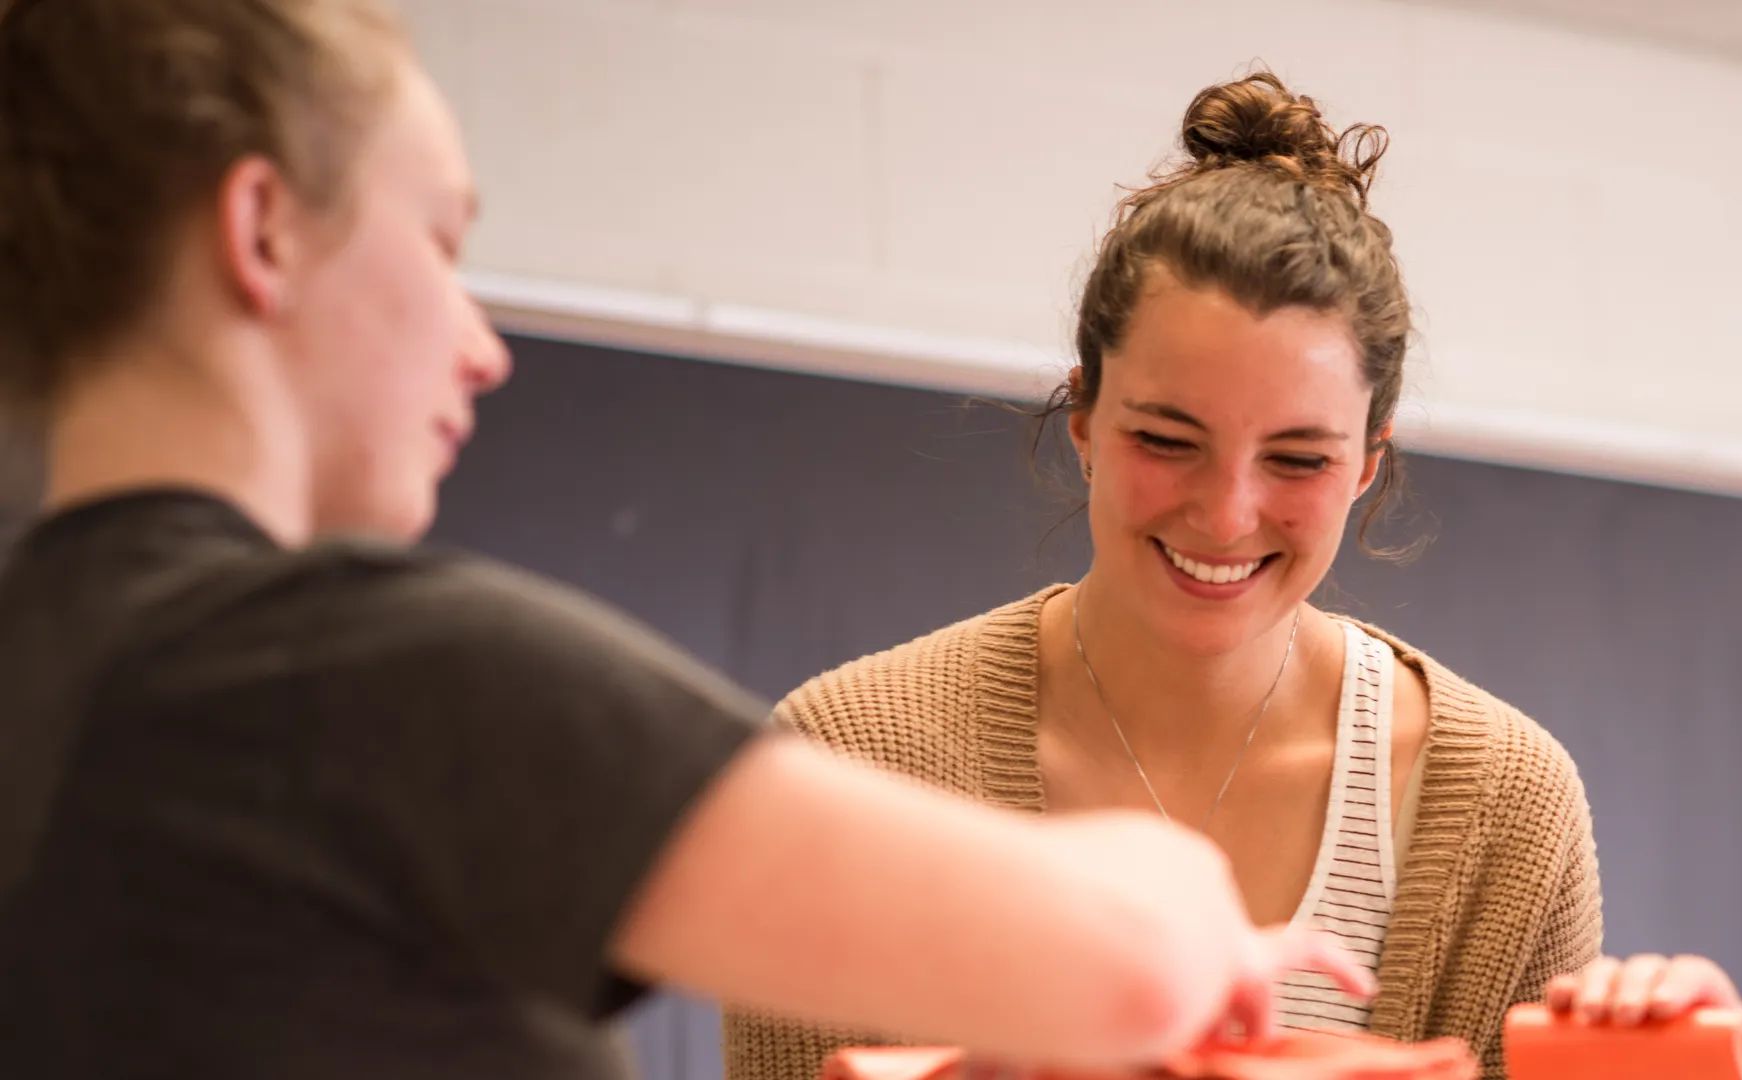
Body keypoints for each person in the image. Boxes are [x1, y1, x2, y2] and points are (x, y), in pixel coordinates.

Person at [0, 3, 1488, 1078]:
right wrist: (1169, 904)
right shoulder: (361, 674)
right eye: (443, 247)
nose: (481, 345)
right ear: (261, 231)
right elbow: (1138, 958)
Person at [722, 70, 1602, 1080]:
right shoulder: (843, 763)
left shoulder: (1504, 800)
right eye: (1168, 440)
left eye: (1299, 459)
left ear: (1367, 464)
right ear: (1086, 418)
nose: (1227, 514)